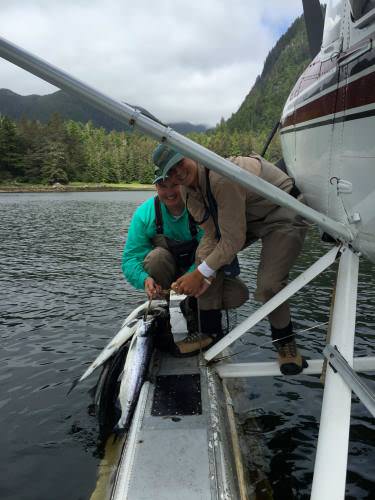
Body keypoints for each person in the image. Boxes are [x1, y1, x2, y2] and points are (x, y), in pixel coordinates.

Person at [152, 143, 308, 375]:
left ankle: (285, 343)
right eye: (170, 172)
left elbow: (233, 240)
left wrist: (200, 274)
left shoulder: (221, 177)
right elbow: (213, 234)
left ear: (189, 155)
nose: (178, 173)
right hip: (246, 219)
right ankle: (209, 331)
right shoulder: (187, 191)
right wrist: (199, 270)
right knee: (203, 255)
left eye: (179, 163)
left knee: (269, 285)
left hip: (282, 212)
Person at [122, 167, 211, 356]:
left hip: (198, 270)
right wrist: (144, 279)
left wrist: (193, 276)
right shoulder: (145, 214)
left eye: (175, 185)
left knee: (233, 293)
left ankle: (198, 317)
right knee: (156, 258)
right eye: (163, 186)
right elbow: (130, 258)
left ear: (185, 184)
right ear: (155, 187)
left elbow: (213, 251)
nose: (170, 192)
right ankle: (164, 319)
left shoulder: (201, 208)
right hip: (167, 273)